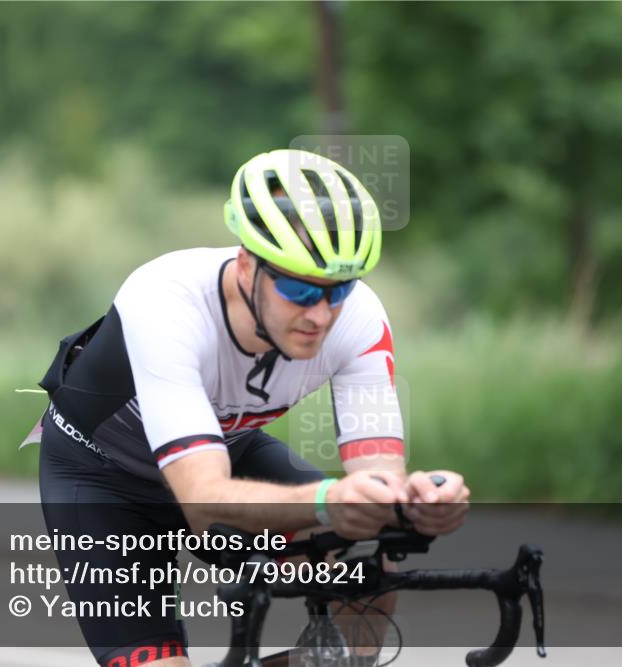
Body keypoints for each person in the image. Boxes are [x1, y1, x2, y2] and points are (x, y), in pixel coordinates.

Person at [35, 149, 470, 666]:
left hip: (225, 453)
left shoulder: (359, 319)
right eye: (298, 287)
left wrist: (414, 501)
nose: (320, 313)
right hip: (104, 480)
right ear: (246, 265)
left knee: (368, 554)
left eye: (338, 290)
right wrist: (332, 499)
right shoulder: (165, 300)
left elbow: (377, 477)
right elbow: (202, 499)